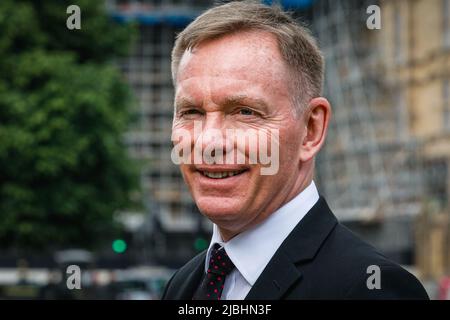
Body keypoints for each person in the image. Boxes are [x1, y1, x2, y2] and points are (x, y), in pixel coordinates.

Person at [162, 1, 429, 300]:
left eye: (245, 112)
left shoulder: (373, 291)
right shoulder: (182, 286)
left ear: (311, 130)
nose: (209, 142)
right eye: (192, 112)